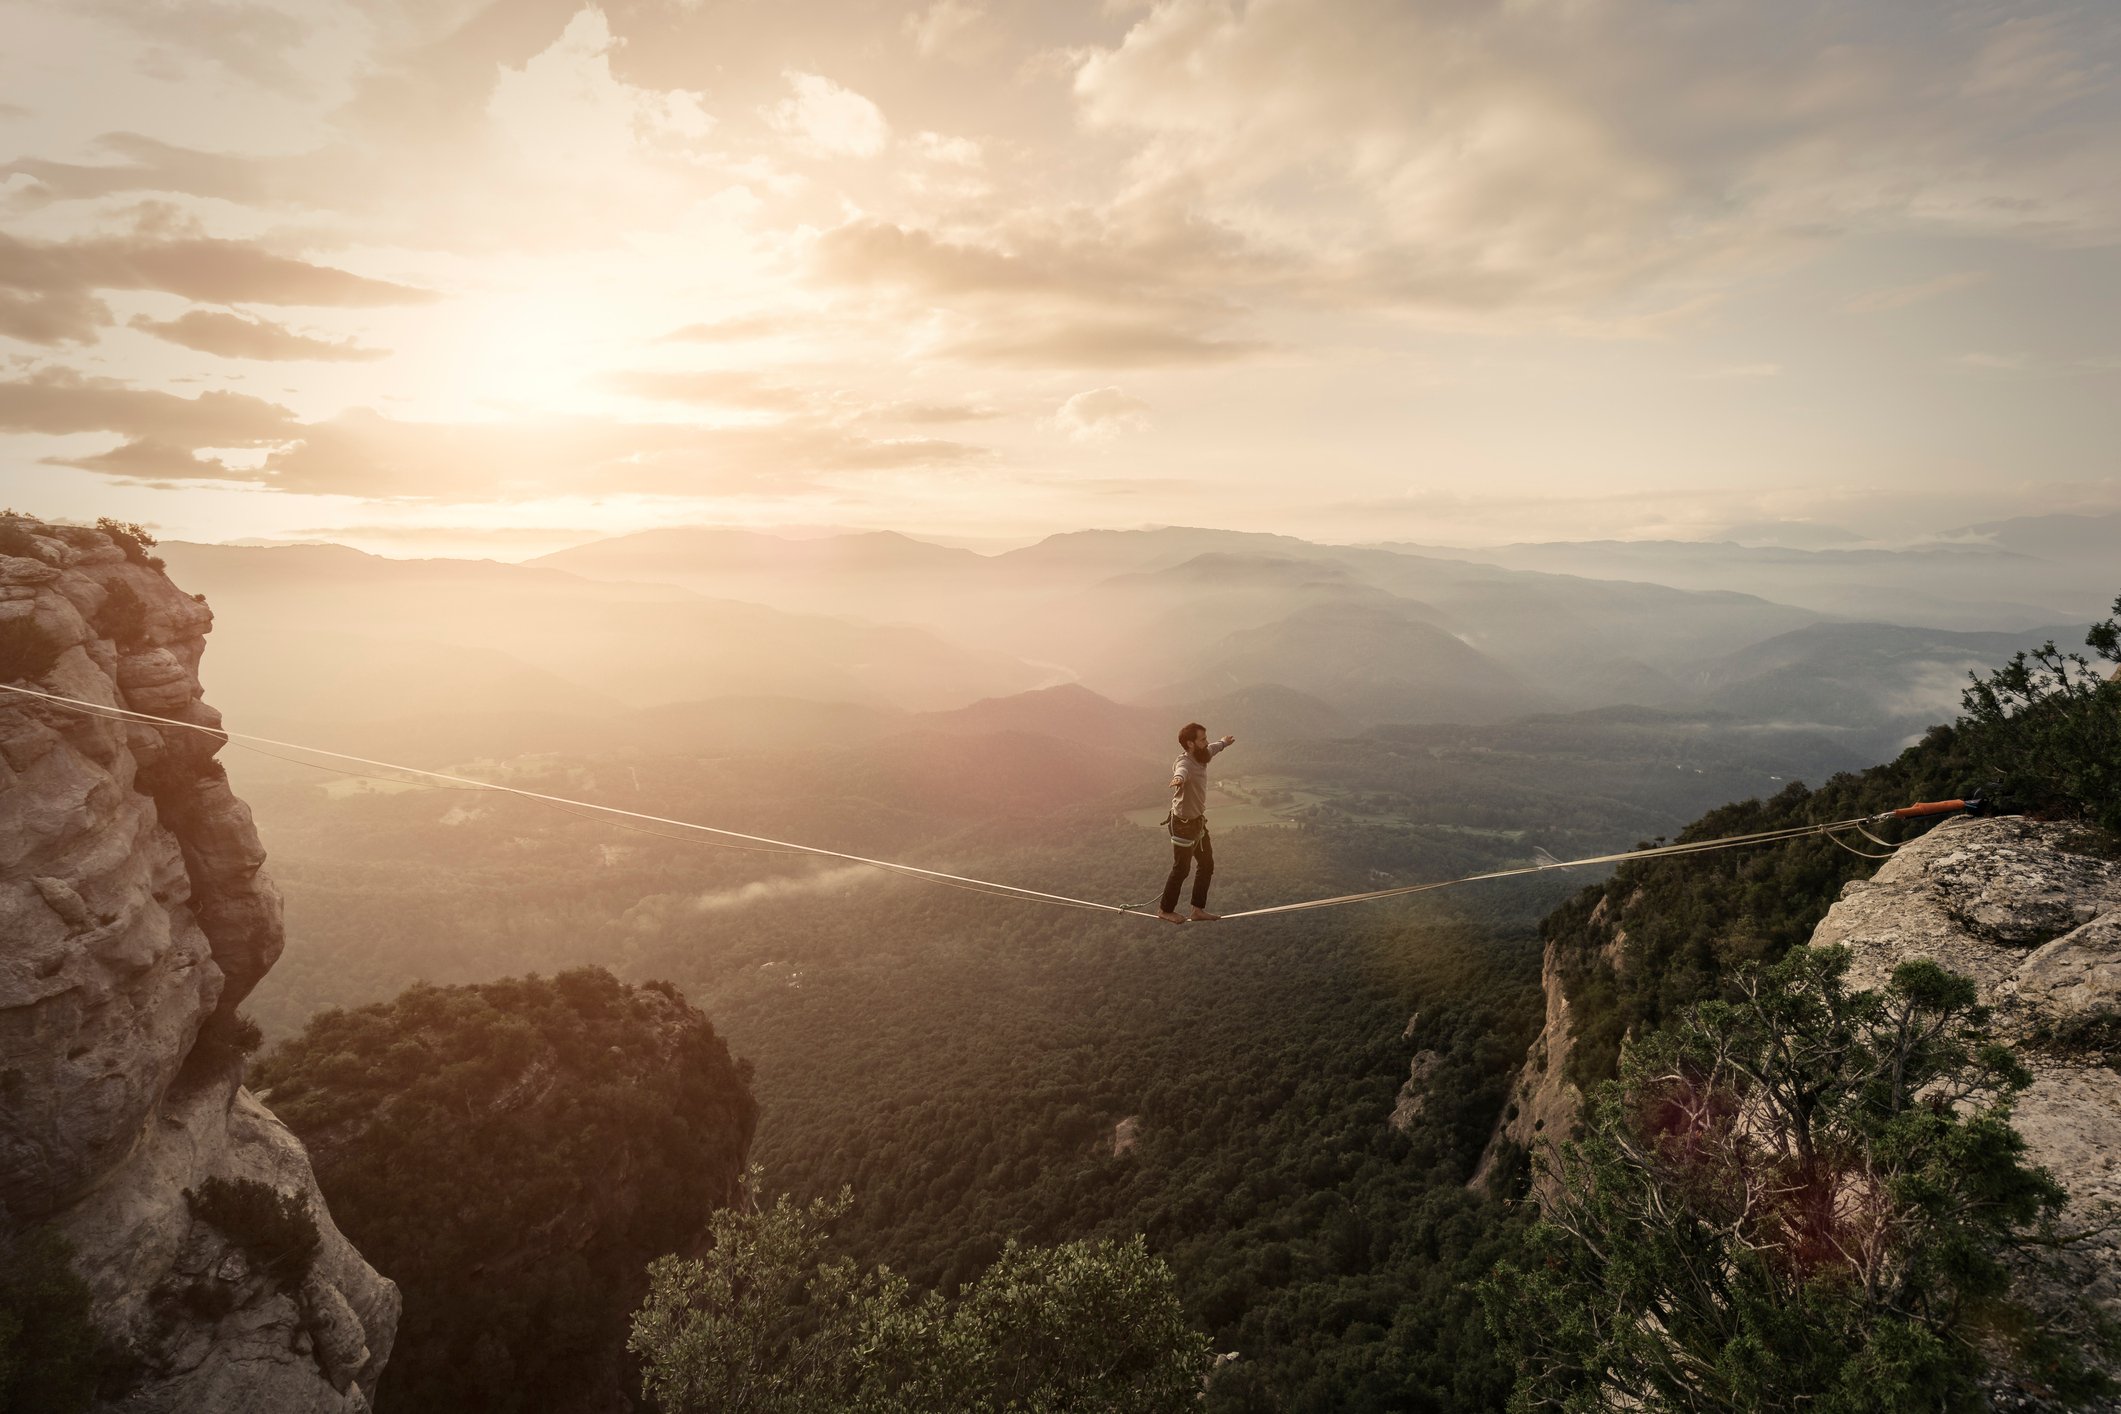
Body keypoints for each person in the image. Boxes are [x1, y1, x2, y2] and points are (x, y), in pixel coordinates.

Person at [1157, 722, 1235, 923]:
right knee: (1181, 869)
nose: (1206, 742)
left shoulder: (1202, 754)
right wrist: (1178, 780)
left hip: (1198, 823)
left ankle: (1197, 909)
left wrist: (1224, 742)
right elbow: (1180, 771)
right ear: (1190, 744)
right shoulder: (1185, 763)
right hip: (1182, 825)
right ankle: (1165, 910)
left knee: (1206, 864)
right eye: (1202, 739)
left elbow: (1213, 748)